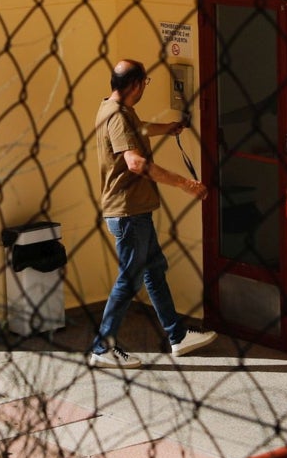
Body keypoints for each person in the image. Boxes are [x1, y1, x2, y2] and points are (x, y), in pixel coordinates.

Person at [88, 59, 218, 369]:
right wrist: (185, 183)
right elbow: (135, 162)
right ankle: (103, 346)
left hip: (135, 210)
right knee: (130, 279)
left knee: (154, 269)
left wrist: (167, 129)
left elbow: (139, 129)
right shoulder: (118, 117)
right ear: (134, 85)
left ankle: (177, 336)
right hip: (128, 212)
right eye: (145, 83)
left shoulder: (112, 107)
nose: (145, 87)